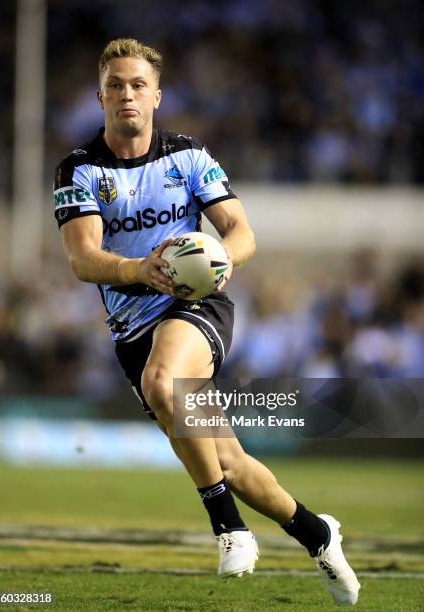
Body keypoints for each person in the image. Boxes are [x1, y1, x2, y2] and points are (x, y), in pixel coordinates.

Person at [54, 38, 360, 604]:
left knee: (160, 381)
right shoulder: (78, 169)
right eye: (116, 85)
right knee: (228, 459)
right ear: (99, 96)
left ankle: (229, 531)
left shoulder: (190, 156)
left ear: (157, 96)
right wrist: (139, 270)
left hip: (198, 304)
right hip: (132, 324)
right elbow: (82, 259)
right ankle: (319, 533)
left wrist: (221, 259)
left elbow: (242, 233)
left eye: (138, 85)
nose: (128, 94)